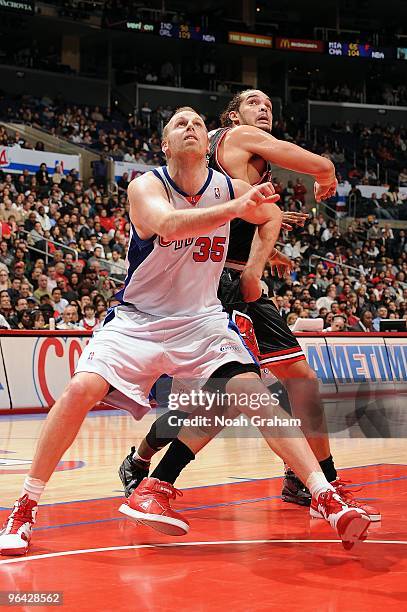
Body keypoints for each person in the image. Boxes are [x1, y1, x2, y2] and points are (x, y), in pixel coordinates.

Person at [0, 107, 370, 556]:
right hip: (138, 319)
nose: (191, 126)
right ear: (165, 144)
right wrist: (238, 208)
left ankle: (324, 496)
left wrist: (255, 263)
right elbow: (170, 223)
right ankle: (24, 508)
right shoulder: (147, 185)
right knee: (81, 390)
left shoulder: (228, 185)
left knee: (252, 393)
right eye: (179, 123)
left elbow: (269, 216)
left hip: (201, 320)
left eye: (197, 121)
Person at [120, 90, 377, 519]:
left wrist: (259, 259)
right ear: (234, 115)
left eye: (271, 107)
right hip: (213, 284)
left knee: (300, 379)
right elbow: (318, 164)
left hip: (234, 279)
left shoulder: (235, 162)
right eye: (256, 103)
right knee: (230, 394)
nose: (266, 110)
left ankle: (313, 480)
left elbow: (268, 217)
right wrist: (327, 175)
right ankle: (156, 480)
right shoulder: (237, 137)